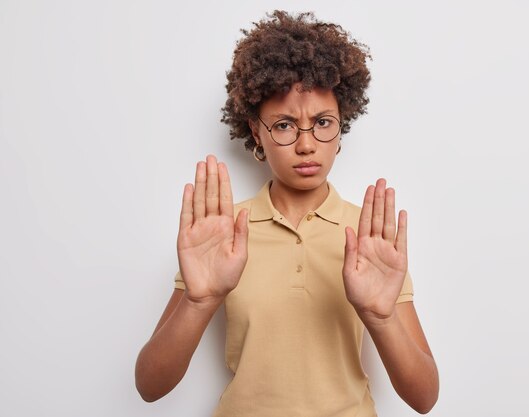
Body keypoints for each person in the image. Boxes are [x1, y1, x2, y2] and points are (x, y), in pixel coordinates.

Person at [135, 10, 439, 416]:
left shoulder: (369, 237)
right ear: (256, 130)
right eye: (283, 125)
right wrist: (198, 300)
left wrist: (379, 316)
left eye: (323, 122)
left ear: (341, 126)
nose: (307, 144)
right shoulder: (219, 233)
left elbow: (424, 398)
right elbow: (149, 386)